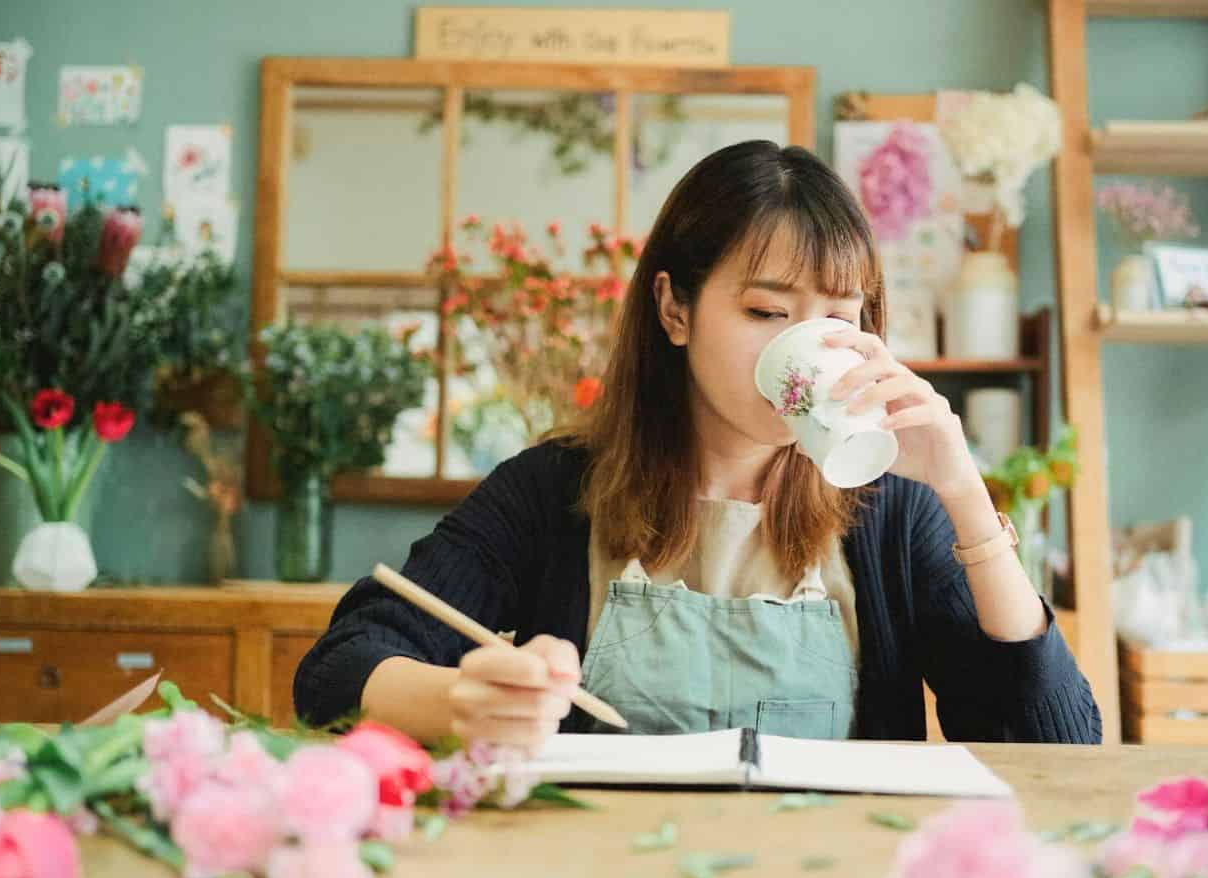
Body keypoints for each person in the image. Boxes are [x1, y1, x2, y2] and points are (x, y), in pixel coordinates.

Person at [294, 140, 1101, 752]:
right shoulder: (553, 491)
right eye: (766, 312)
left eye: (840, 319)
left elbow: (1055, 750)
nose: (811, 347)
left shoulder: (891, 515)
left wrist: (964, 496)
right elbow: (338, 669)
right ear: (674, 310)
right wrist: (464, 702)